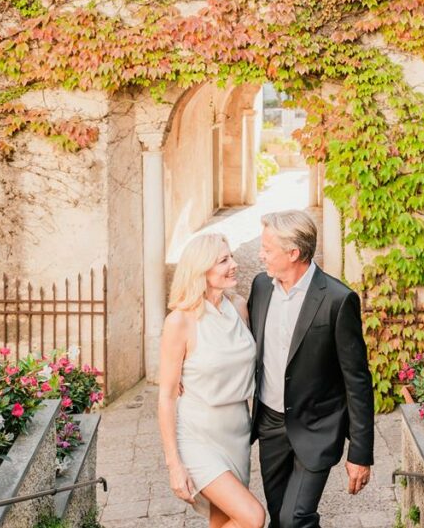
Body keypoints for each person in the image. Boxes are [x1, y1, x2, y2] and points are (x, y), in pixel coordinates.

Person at [249, 210, 374, 528]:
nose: (260, 254)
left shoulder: (337, 299)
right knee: (279, 517)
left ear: (293, 253)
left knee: (296, 519)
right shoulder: (261, 288)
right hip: (270, 425)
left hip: (317, 427)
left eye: (267, 248)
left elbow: (357, 380)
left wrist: (360, 452)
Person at [158, 232, 266, 528]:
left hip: (237, 432)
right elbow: (166, 396)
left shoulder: (239, 307)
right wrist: (174, 465)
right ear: (201, 269)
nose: (234, 264)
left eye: (231, 256)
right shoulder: (180, 321)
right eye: (223, 260)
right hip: (197, 435)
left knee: (223, 521)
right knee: (253, 517)